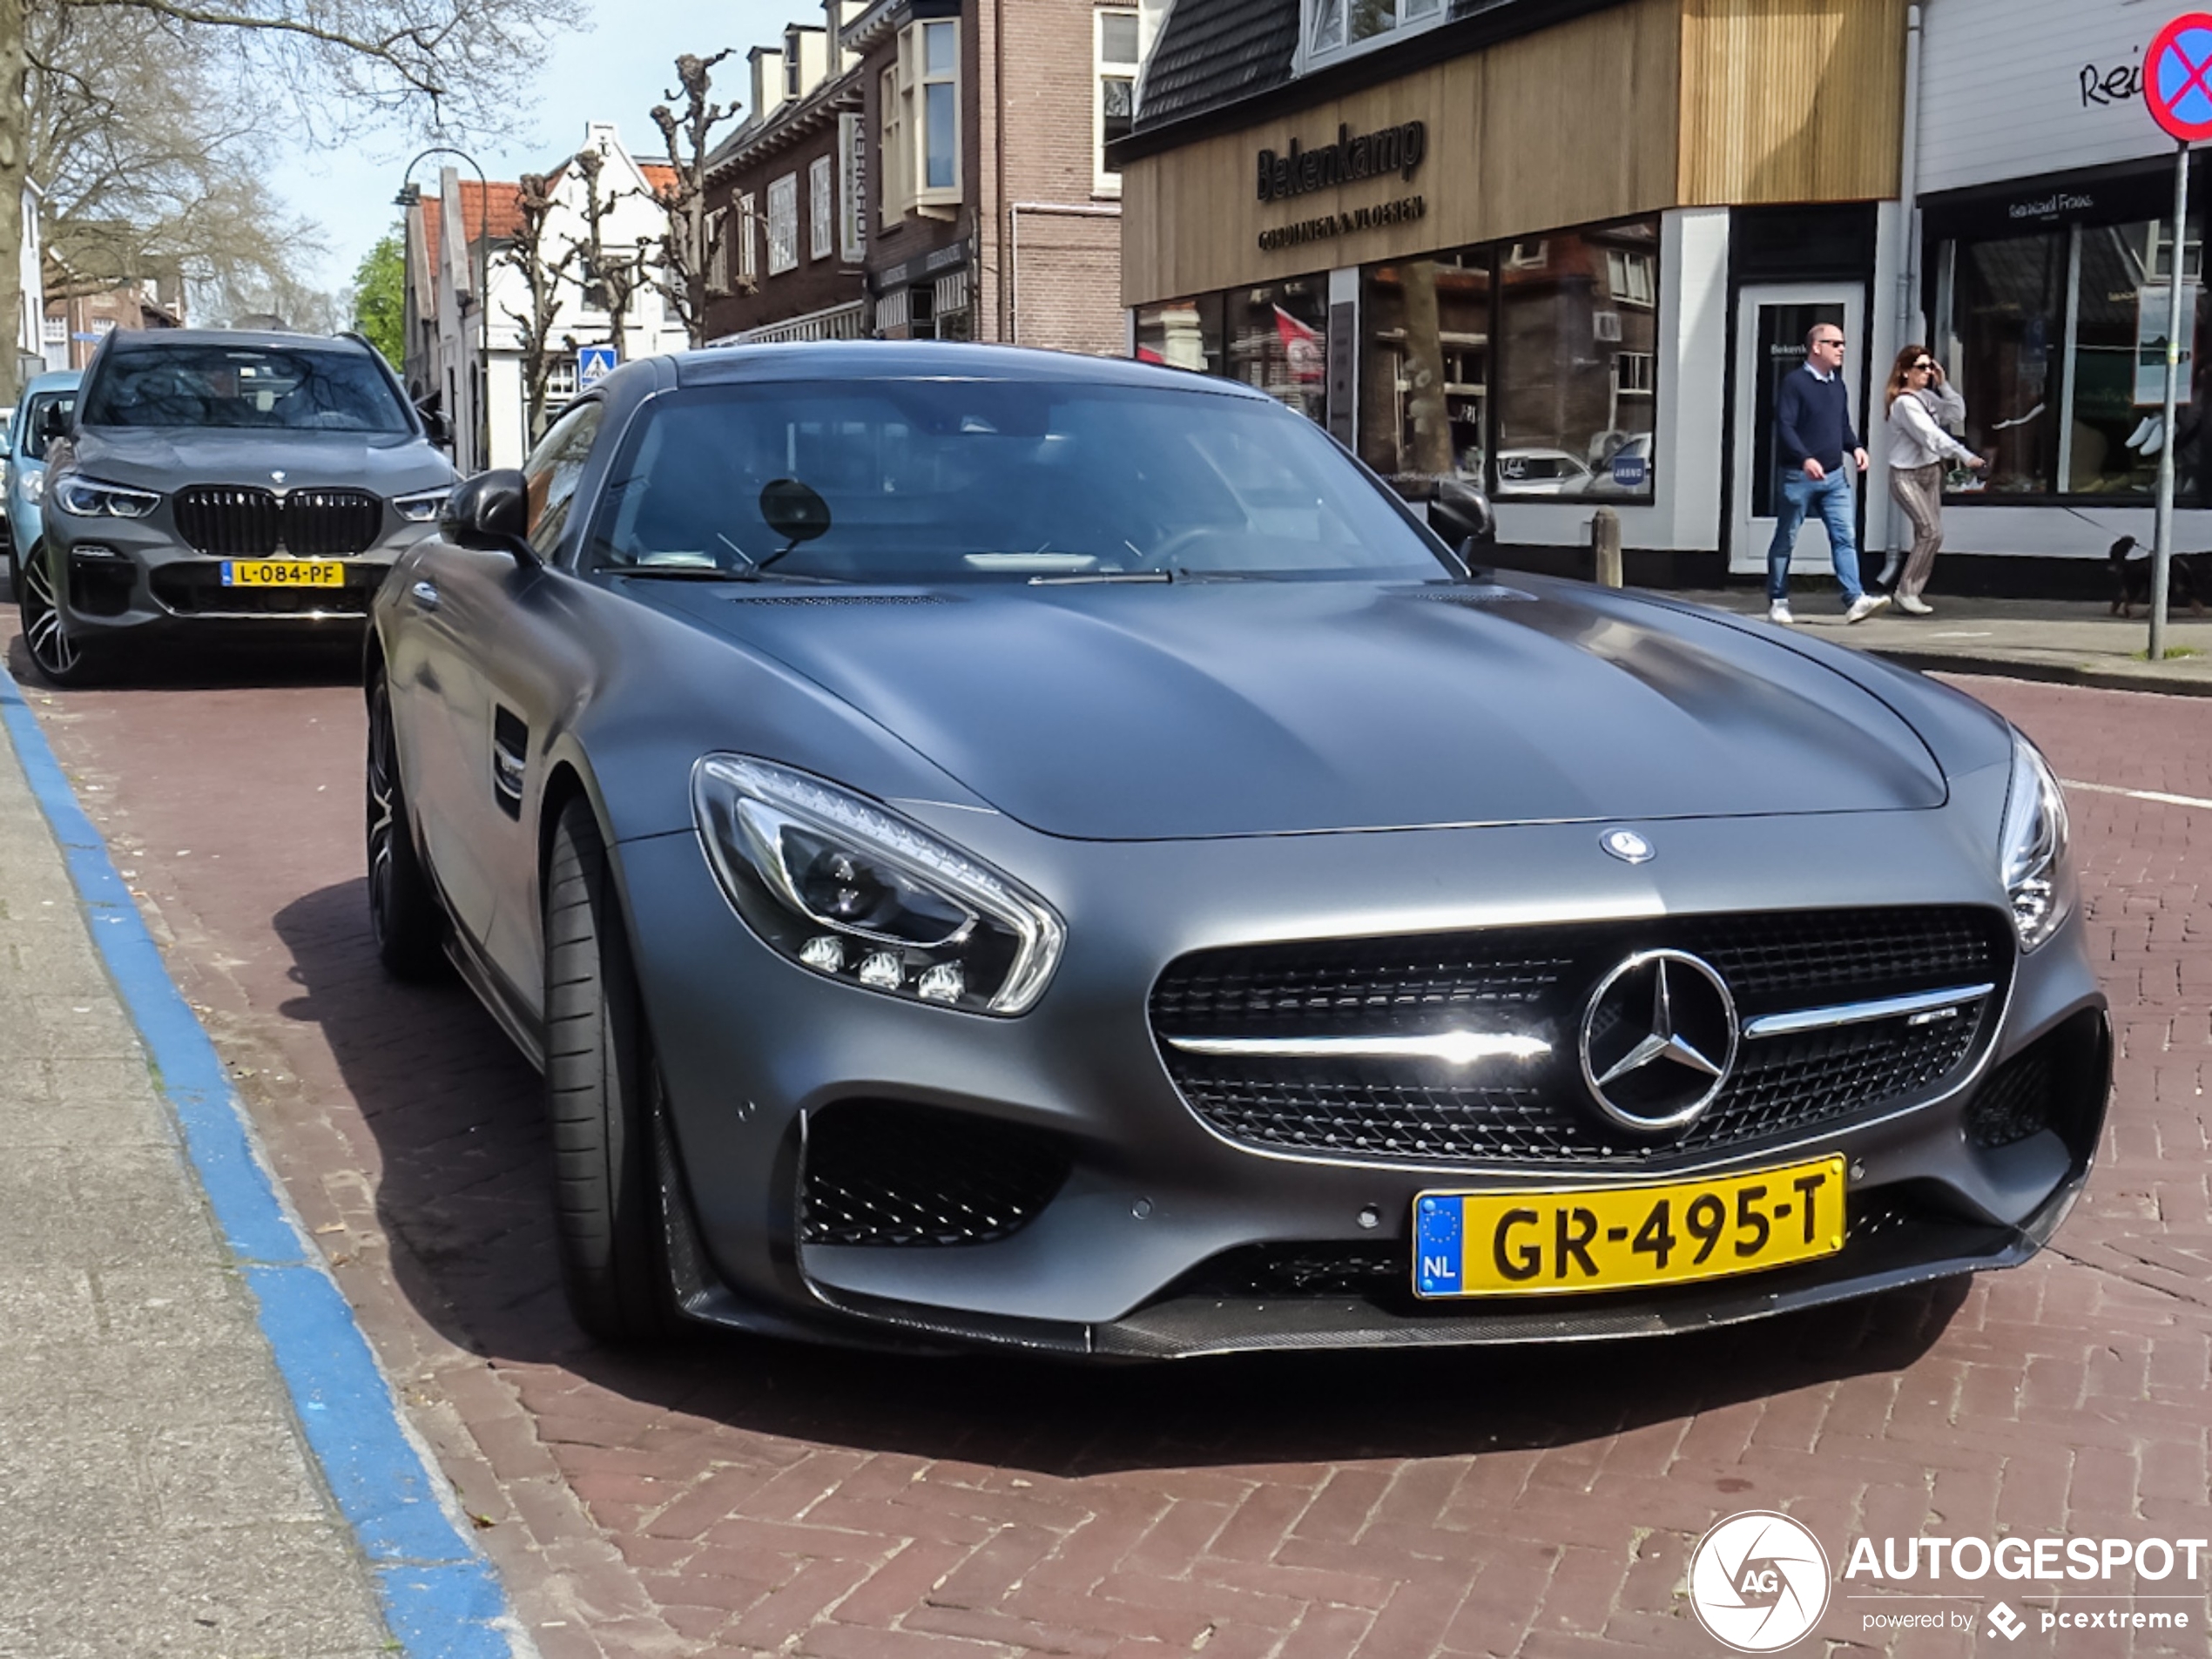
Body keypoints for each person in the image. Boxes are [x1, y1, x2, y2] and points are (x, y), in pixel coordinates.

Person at [1768, 323, 1886, 626]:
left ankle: (1855, 599)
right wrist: (1805, 458)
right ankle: (1778, 601)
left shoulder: (1838, 384)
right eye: (1834, 343)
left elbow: (1841, 425)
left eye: (1842, 343)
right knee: (1786, 539)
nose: (1841, 348)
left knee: (1844, 536)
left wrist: (1856, 447)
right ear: (1816, 347)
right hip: (1799, 477)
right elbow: (1785, 426)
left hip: (1834, 478)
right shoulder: (1795, 383)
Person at [1882, 345, 1985, 616]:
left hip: (1930, 471)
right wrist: (1966, 456)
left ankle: (1912, 592)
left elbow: (1955, 414)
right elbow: (1931, 436)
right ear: (1905, 372)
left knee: (1929, 534)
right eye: (1921, 367)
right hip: (1906, 475)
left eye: (1930, 367)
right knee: (1931, 531)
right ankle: (1906, 592)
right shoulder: (1904, 403)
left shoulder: (1926, 396)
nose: (1927, 372)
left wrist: (1945, 384)